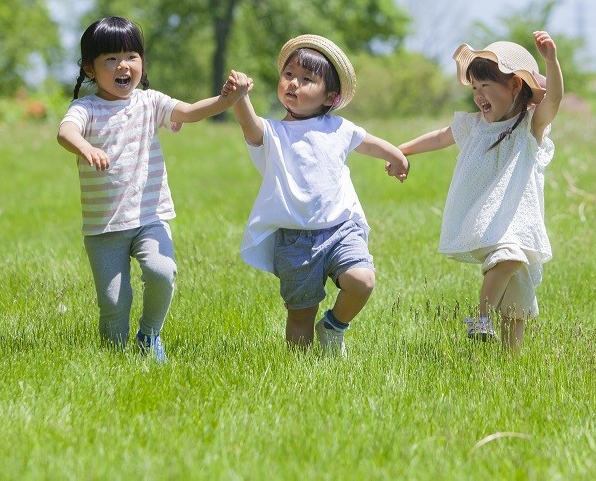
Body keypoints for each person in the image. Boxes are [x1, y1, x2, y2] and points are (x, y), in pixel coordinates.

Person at [57, 16, 250, 363]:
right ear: (90, 69)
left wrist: (228, 99)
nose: (123, 65)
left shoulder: (150, 102)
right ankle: (114, 360)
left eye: (131, 56)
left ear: (142, 62)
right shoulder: (86, 108)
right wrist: (86, 148)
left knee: (162, 271)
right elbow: (65, 133)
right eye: (110, 59)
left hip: (150, 216)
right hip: (104, 227)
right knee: (114, 303)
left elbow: (189, 112)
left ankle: (149, 334)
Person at [230, 34, 410, 355]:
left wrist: (396, 156)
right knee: (300, 316)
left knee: (362, 280)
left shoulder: (338, 127)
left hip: (341, 228)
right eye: (288, 75)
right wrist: (241, 97)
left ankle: (333, 326)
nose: (293, 84)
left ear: (330, 96)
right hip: (295, 240)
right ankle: (302, 374)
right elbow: (250, 127)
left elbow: (367, 141)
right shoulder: (274, 132)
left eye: (306, 79)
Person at [397, 31, 564, 351]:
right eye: (474, 87)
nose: (478, 95)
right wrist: (400, 151)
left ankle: (509, 368)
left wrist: (551, 61)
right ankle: (481, 317)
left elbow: (554, 98)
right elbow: (438, 137)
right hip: (490, 220)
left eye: (486, 86)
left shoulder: (531, 126)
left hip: (522, 220)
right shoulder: (475, 125)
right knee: (508, 256)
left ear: (516, 85)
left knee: (517, 308)